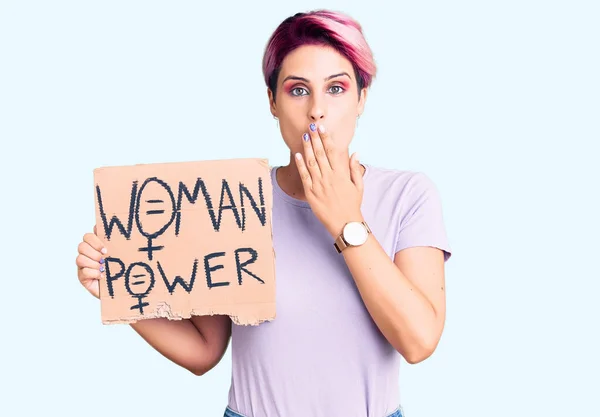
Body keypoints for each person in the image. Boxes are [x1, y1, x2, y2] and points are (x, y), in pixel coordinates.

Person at [76, 9, 452, 417]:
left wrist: (346, 221)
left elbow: (418, 342)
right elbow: (204, 351)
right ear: (272, 101)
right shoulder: (235, 200)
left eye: (337, 88)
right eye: (297, 90)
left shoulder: (409, 195)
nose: (317, 111)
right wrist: (121, 291)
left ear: (362, 98)